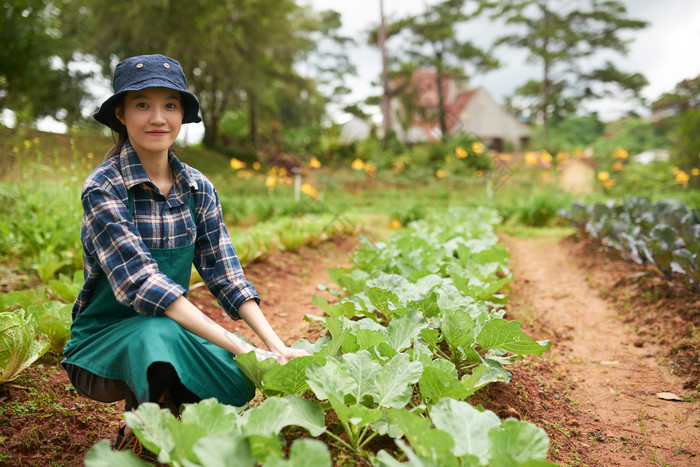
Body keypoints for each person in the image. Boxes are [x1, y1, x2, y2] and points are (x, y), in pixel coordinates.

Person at [61, 54, 308, 456]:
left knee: (239, 379)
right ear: (121, 114)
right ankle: (142, 427)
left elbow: (226, 275)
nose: (157, 117)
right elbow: (144, 285)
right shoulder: (103, 188)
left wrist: (274, 346)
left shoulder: (198, 188)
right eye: (142, 104)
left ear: (182, 115)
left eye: (169, 105)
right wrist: (241, 345)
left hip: (172, 330)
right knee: (158, 333)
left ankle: (169, 409)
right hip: (101, 345)